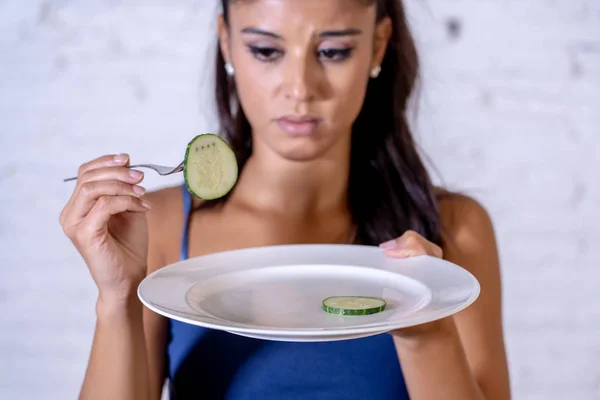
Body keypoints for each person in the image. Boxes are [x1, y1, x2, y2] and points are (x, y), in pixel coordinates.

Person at [59, 0, 511, 399]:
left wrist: (426, 330)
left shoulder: (453, 229)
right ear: (227, 43)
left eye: (333, 52)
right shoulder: (156, 226)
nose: (299, 88)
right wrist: (116, 299)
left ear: (377, 46)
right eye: (267, 51)